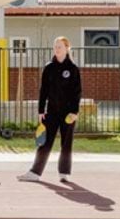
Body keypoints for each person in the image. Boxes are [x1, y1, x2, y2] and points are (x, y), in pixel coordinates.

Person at [20, 36, 81, 183]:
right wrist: (41, 110)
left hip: (68, 114)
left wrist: (74, 112)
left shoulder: (73, 69)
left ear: (67, 48)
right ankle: (35, 173)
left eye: (59, 46)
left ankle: (64, 173)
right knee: (44, 142)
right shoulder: (49, 68)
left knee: (66, 143)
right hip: (51, 112)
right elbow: (43, 91)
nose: (57, 49)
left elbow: (77, 92)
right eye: (55, 46)